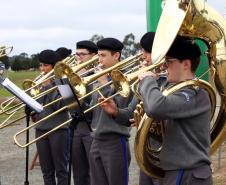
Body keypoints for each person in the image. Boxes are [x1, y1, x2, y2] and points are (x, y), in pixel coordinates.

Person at [138, 36, 212, 185]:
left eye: (169, 61)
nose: (164, 66)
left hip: (188, 174)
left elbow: (155, 107)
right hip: (178, 171)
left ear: (185, 64)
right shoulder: (175, 91)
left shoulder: (194, 92)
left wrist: (147, 80)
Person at [99, 32, 163, 185]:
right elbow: (129, 114)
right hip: (147, 151)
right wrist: (115, 111)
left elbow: (160, 110)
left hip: (166, 154)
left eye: (147, 51)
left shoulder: (168, 82)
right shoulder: (143, 81)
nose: (143, 56)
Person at [89, 38, 132, 185]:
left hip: (115, 139)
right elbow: (93, 109)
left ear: (116, 56)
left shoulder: (125, 78)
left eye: (103, 56)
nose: (99, 60)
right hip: (96, 139)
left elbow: (122, 108)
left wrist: (104, 83)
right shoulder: (100, 76)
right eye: (98, 56)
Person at [34, 49, 70, 185]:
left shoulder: (63, 82)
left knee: (61, 170)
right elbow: (36, 105)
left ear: (54, 67)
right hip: (41, 129)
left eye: (45, 65)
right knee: (46, 171)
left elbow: (62, 106)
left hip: (58, 130)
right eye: (40, 65)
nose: (42, 69)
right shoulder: (38, 83)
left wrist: (49, 86)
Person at [71, 40, 98, 185]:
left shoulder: (99, 75)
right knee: (79, 173)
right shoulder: (73, 75)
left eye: (82, 54)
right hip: (77, 127)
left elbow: (95, 107)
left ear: (94, 56)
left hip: (92, 126)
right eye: (77, 54)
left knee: (95, 171)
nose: (78, 58)